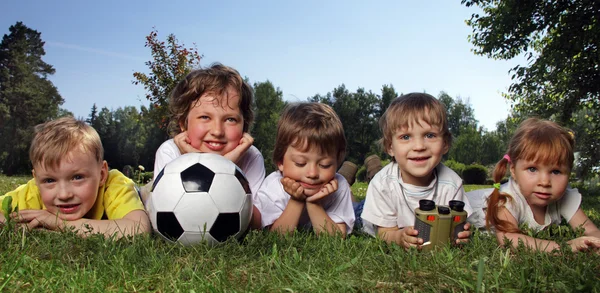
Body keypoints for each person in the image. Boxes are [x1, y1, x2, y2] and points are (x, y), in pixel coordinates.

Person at [150, 63, 265, 229]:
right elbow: (161, 215)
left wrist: (225, 168)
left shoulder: (252, 157)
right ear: (184, 123)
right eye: (205, 117)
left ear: (244, 126)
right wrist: (194, 161)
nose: (217, 131)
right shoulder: (169, 151)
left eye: (230, 119)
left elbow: (255, 223)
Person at [0, 117, 150, 238]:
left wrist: (58, 223)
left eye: (77, 177)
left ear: (102, 174)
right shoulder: (32, 192)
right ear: (37, 180)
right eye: (49, 180)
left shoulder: (114, 184)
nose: (64, 195)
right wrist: (12, 224)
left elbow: (139, 230)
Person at [360, 93, 472, 249]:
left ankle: (374, 166)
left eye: (430, 135)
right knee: (356, 209)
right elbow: (384, 232)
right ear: (390, 147)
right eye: (406, 137)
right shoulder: (381, 185)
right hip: (376, 209)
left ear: (445, 143)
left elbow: (459, 224)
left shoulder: (452, 184)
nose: (419, 146)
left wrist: (461, 235)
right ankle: (368, 172)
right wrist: (398, 237)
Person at [483, 118, 600, 253]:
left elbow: (590, 230)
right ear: (513, 170)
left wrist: (596, 243)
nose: (544, 182)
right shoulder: (506, 198)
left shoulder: (565, 196)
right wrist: (564, 247)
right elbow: (509, 240)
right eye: (532, 169)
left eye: (556, 171)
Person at [255, 102, 355, 237]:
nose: (312, 174)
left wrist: (314, 203)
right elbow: (275, 236)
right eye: (300, 163)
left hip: (342, 195)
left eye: (325, 165)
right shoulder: (273, 186)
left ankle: (349, 182)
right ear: (280, 161)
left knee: (358, 209)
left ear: (337, 161)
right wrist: (296, 200)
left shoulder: (339, 185)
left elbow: (336, 239)